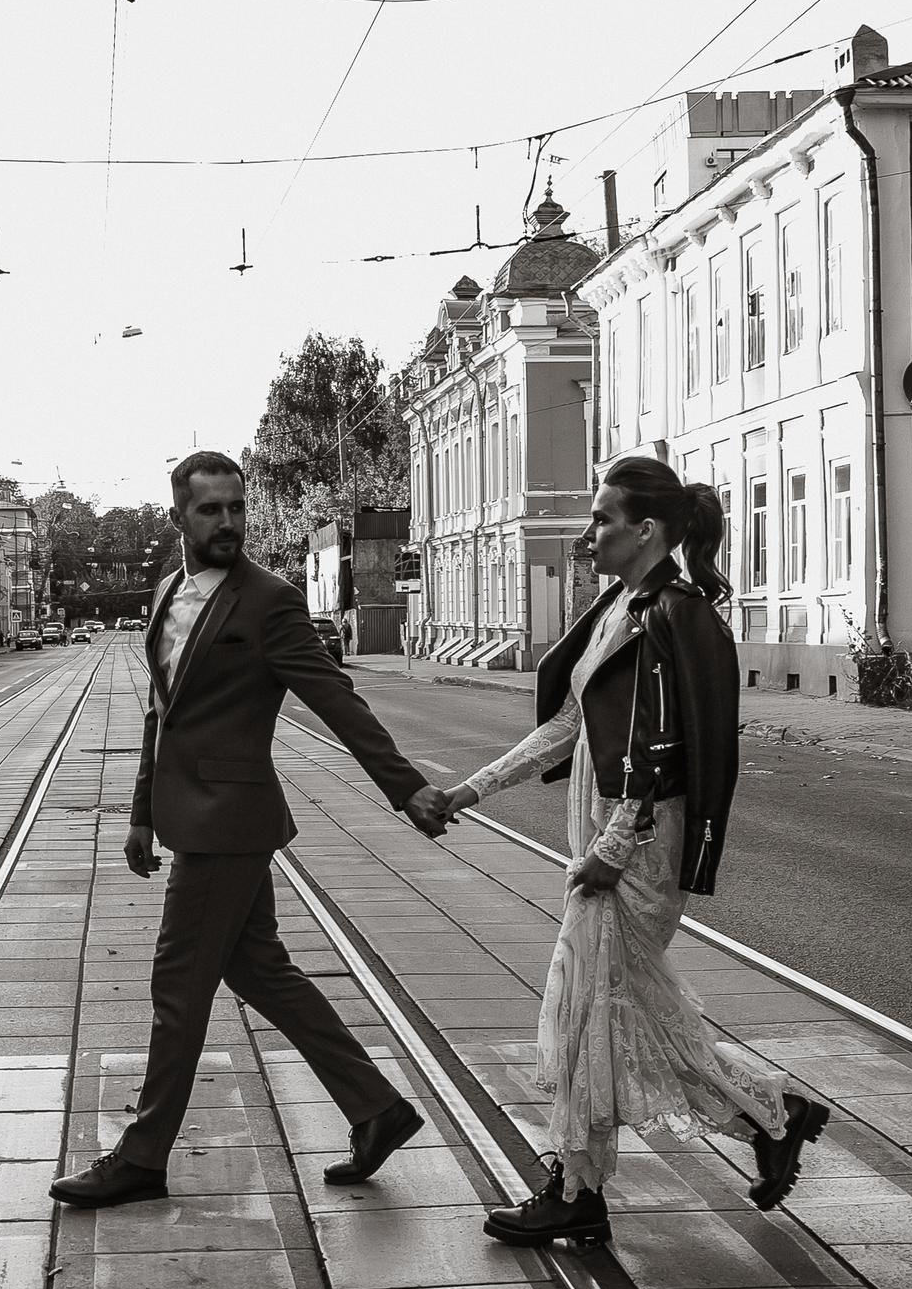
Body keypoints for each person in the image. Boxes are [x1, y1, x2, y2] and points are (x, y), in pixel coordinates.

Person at [431, 456, 829, 1245]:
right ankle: (774, 1114)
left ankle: (577, 1187)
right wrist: (466, 792)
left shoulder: (667, 616)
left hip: (634, 850)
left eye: (602, 519)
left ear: (645, 531)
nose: (589, 535)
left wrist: (612, 849)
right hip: (604, 835)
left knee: (586, 1017)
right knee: (628, 1018)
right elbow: (568, 727)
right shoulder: (622, 607)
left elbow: (663, 750)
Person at [50, 451, 450, 1210]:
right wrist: (141, 811)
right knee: (261, 970)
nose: (229, 521)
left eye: (237, 506)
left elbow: (335, 698)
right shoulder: (166, 591)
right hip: (189, 815)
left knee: (177, 984)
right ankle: (377, 1107)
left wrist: (406, 789)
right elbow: (162, 713)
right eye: (211, 510)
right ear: (178, 519)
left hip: (229, 824)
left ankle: (141, 1156)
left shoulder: (269, 600)